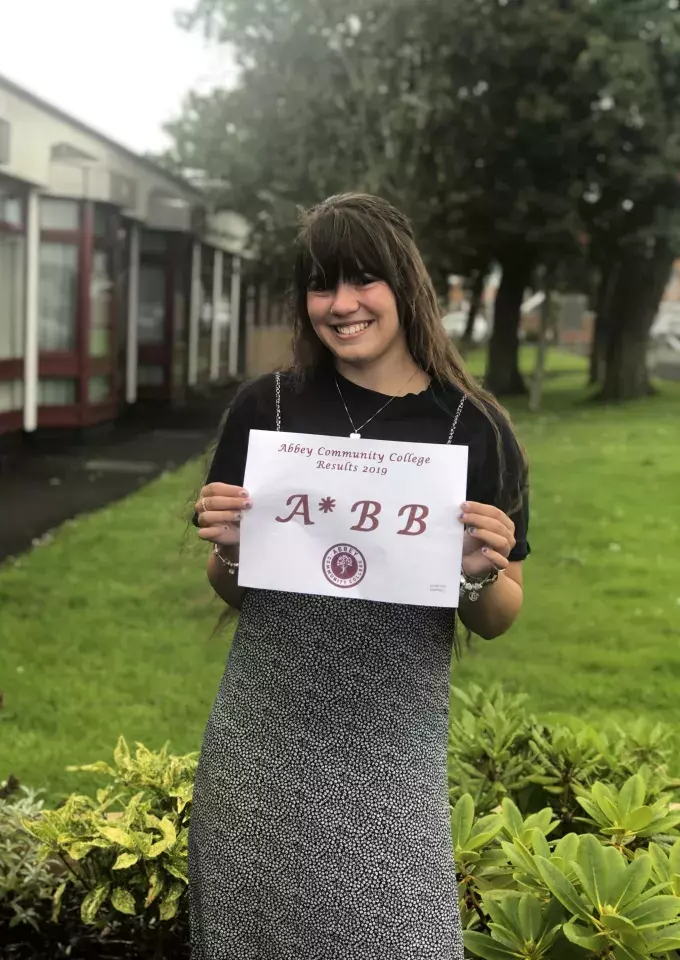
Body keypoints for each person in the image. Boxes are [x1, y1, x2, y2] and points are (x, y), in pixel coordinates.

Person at [188, 193, 529, 960]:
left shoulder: (471, 427)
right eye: (320, 285)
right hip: (260, 751)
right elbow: (232, 584)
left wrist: (478, 572)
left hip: (388, 756)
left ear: (406, 285)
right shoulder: (264, 407)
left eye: (362, 280)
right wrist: (233, 546)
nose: (340, 305)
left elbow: (499, 614)